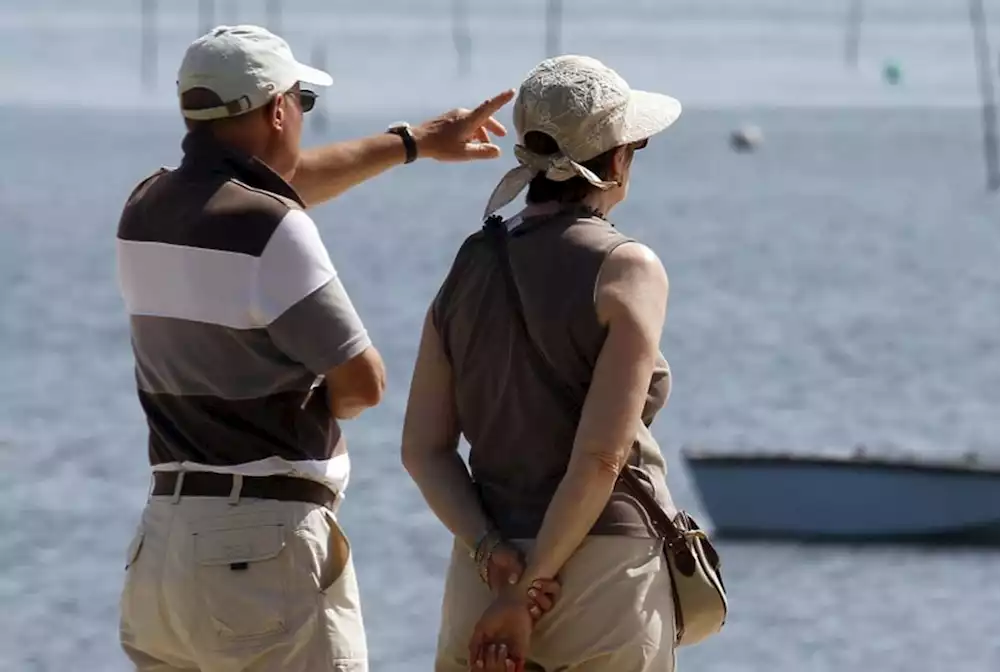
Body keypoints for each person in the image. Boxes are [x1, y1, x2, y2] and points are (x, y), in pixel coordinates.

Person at [115, 24, 518, 672]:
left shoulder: (144, 209)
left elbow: (279, 191)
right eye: (302, 103)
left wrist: (412, 143)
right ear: (278, 110)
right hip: (264, 548)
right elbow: (363, 383)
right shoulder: (272, 228)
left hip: (161, 553)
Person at [401, 54, 684, 672]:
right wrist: (536, 586)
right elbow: (601, 458)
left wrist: (491, 556)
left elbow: (422, 451)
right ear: (615, 161)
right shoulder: (627, 267)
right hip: (600, 572)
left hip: (485, 578)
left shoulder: (469, 264)